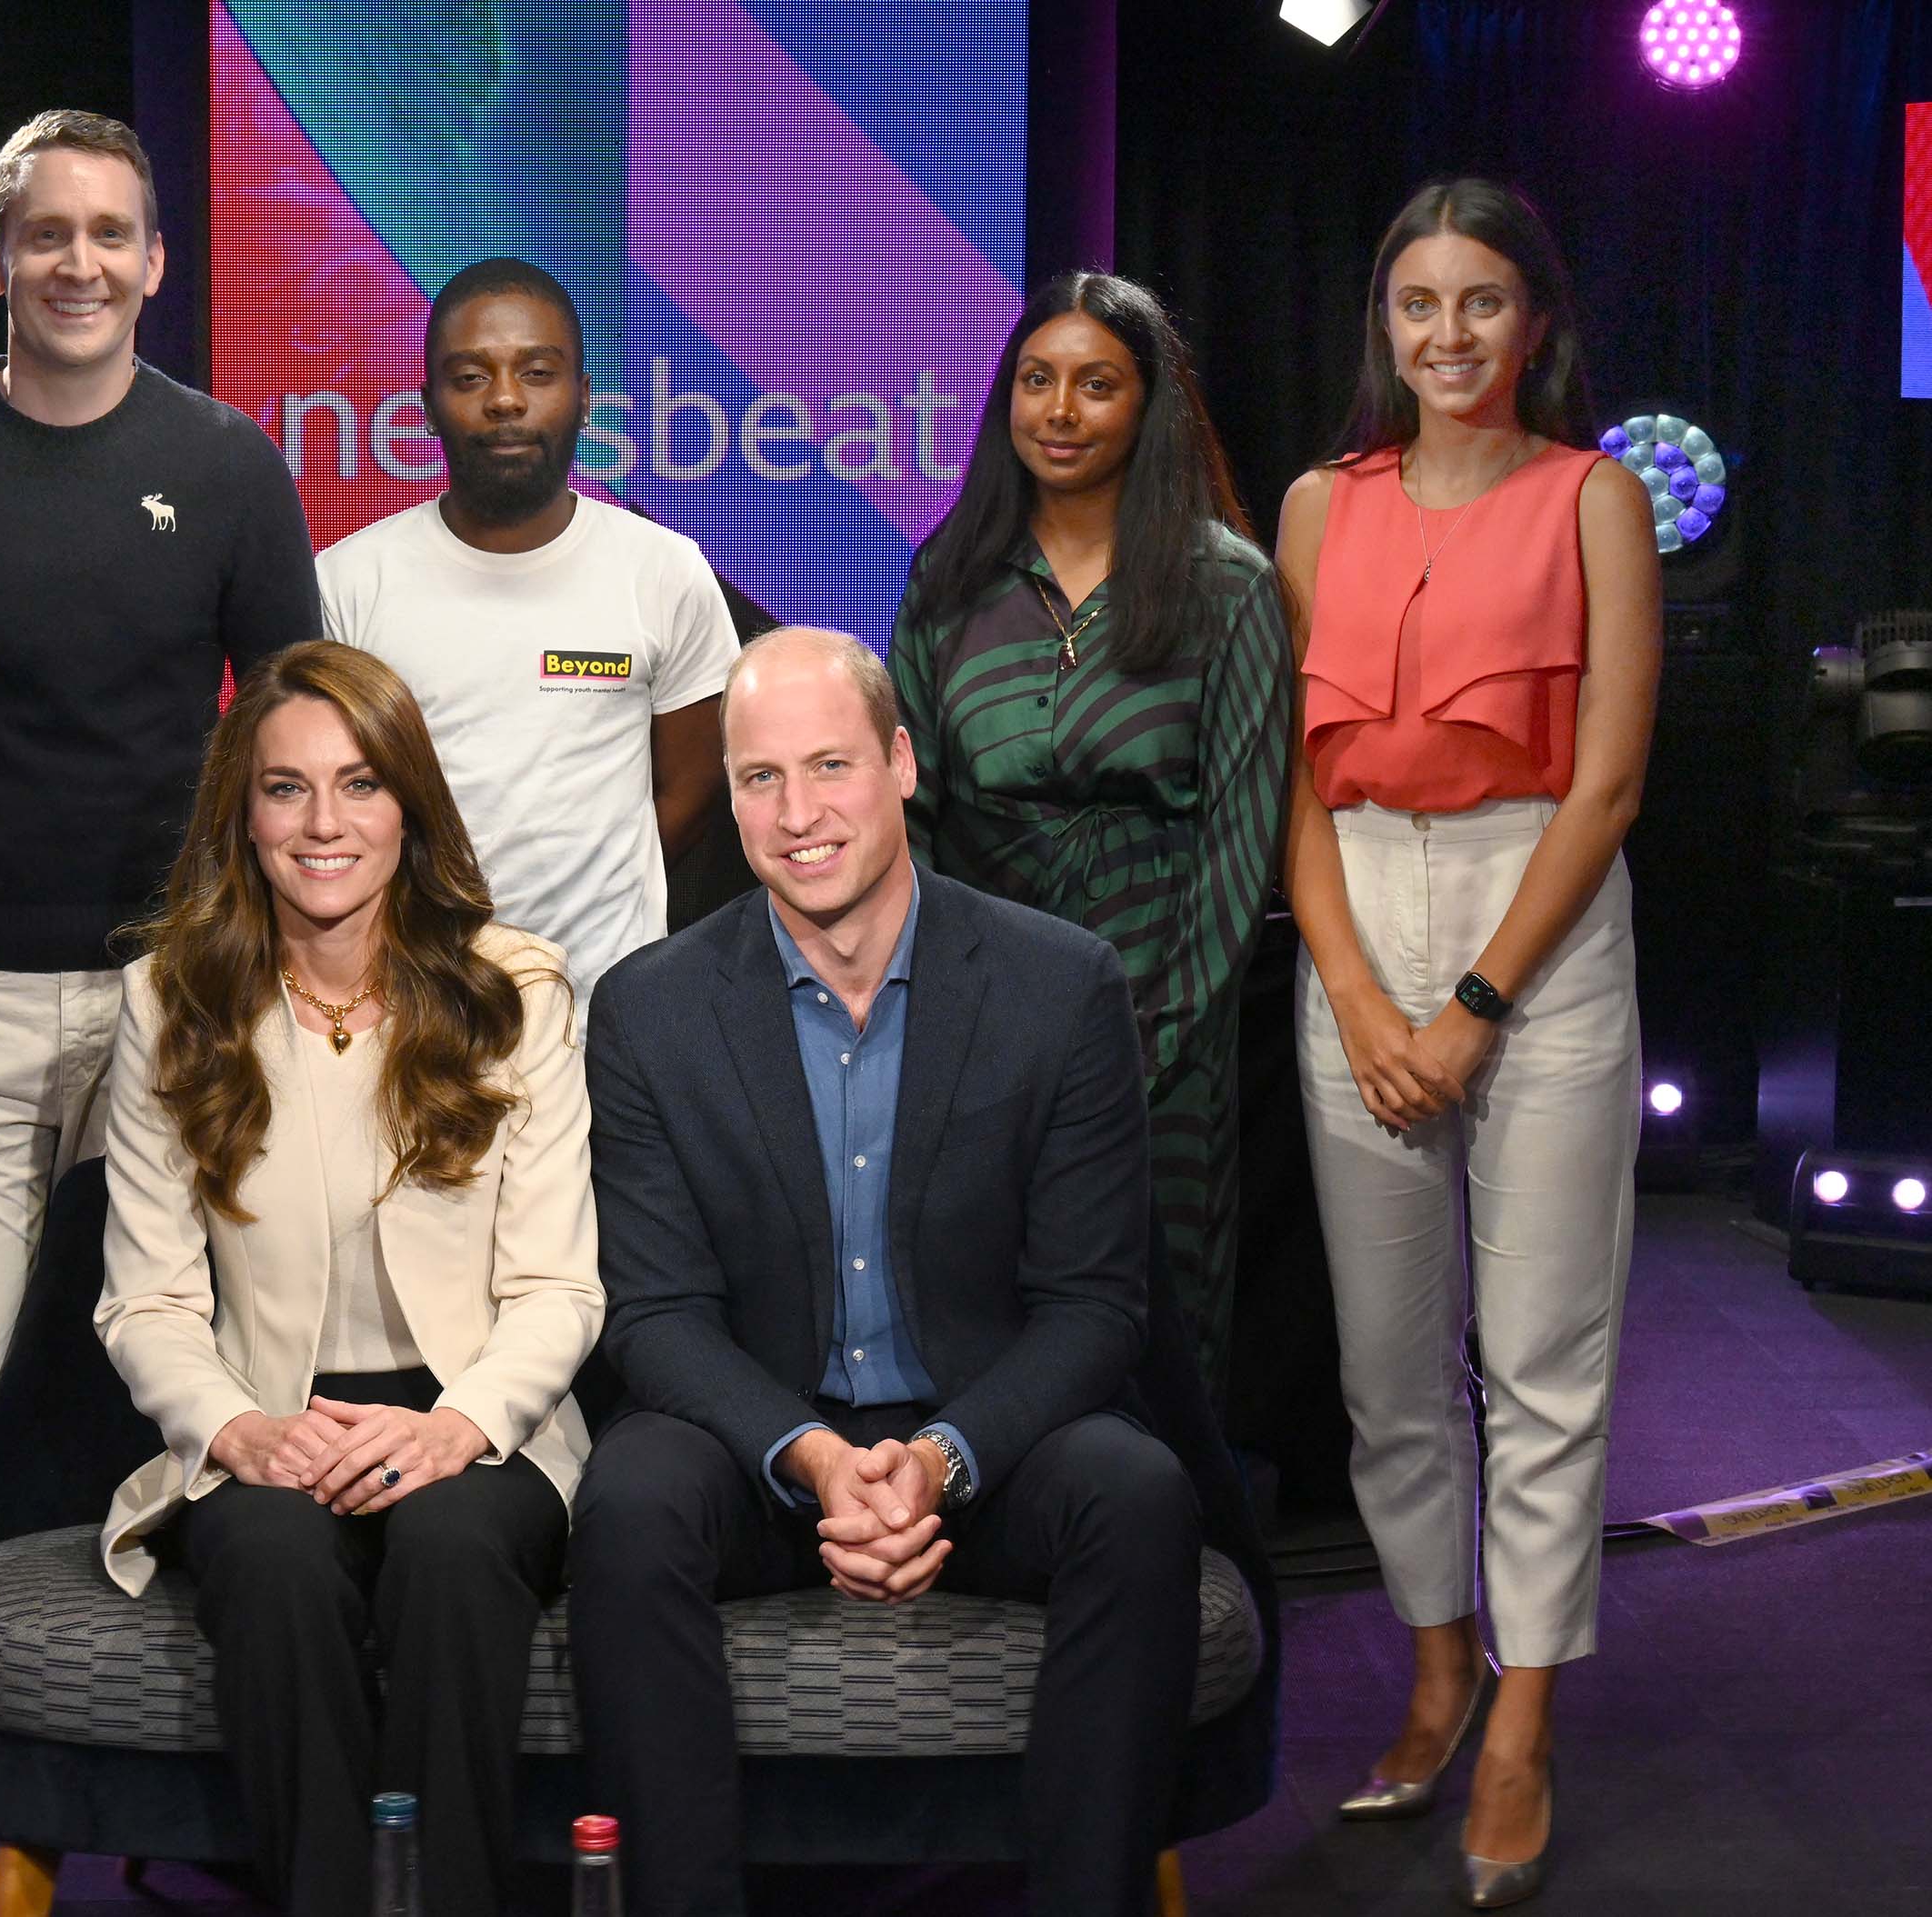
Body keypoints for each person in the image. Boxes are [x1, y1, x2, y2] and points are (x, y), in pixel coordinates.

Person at [0, 110, 321, 1913]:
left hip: (172, 1002)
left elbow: (297, 747)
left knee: (200, 1388)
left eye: (112, 234)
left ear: (156, 260)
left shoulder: (233, 467)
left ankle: (209, 1766)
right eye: (46, 236)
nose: (80, 264)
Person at [568, 626, 1207, 1917]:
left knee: (1136, 1493)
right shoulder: (649, 1008)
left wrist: (941, 1460)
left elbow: (1096, 1307)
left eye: (830, 766)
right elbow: (657, 1314)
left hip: (986, 1438)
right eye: (759, 778)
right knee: (630, 1499)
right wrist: (812, 1458)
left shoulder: (1059, 984)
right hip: (763, 1441)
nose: (798, 815)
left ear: (902, 763)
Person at [1276, 177, 1657, 1909]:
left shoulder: (1597, 497)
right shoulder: (1314, 505)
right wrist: (1359, 993)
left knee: (1542, 1358)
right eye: (1419, 302)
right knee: (1384, 1366)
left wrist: (1479, 1003)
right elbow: (1287, 778)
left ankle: (1522, 1714)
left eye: (1482, 301)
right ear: (1387, 321)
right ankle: (1434, 1668)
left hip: (1541, 920)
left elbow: (1611, 781)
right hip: (1355, 908)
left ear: (1534, 317)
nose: (1449, 335)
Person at [90, 641, 601, 1917]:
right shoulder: (173, 997)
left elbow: (560, 1288)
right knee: (268, 1559)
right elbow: (144, 1299)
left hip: (478, 1417)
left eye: (361, 784)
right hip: (271, 1417)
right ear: (241, 815)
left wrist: (456, 1426)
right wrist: (238, 1429)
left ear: (410, 805)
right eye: (286, 789)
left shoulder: (512, 990)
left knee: (449, 1543)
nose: (325, 823)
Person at [887, 271, 1292, 1404]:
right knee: (985, 1320)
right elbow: (909, 809)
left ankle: (1169, 1568)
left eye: (1096, 385)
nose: (1059, 410)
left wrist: (1160, 1043)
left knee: (1154, 1338)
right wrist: (945, 1009)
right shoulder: (948, 578)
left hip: (1164, 1022)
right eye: (1036, 381)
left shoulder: (1228, 587)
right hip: (981, 1025)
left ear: (1149, 405)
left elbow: (1240, 840)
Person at [315, 256, 737, 1013]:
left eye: (537, 373)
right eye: (471, 376)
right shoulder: (347, 582)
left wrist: (604, 876)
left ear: (582, 398)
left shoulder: (663, 570)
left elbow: (692, 788)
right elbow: (323, 807)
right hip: (407, 1005)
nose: (505, 400)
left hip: (607, 1012)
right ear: (428, 403)